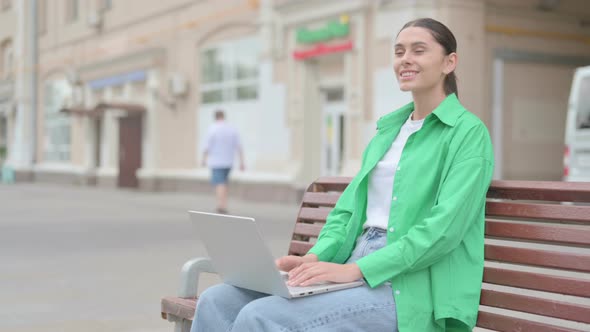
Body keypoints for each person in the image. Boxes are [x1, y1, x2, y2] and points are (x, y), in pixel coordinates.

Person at [191, 18, 494, 332]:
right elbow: (346, 211)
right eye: (399, 51)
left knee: (262, 316)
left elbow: (444, 231)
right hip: (354, 263)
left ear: (449, 62)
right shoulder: (388, 132)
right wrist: (315, 257)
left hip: (410, 287)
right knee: (217, 300)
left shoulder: (467, 134)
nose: (405, 59)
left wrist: (358, 270)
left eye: (418, 50)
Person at [202, 110, 244, 214]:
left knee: (219, 183)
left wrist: (204, 159)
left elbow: (207, 146)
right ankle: (224, 204)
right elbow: (239, 146)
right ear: (223, 116)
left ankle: (221, 205)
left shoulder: (212, 129)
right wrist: (242, 162)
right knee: (224, 183)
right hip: (229, 161)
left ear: (215, 117)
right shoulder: (232, 128)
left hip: (217, 161)